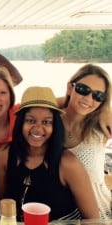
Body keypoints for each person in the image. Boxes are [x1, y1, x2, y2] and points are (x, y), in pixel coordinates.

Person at [0, 86, 99, 221]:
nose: (38, 129)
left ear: (55, 126)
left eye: (46, 122)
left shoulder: (68, 163)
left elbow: (93, 220)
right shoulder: (4, 155)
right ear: (20, 123)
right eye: (30, 120)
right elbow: (4, 207)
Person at [61, 64, 112, 219]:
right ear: (70, 87)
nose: (89, 98)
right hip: (63, 214)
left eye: (98, 96)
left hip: (101, 211)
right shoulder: (49, 123)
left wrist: (104, 110)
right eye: (83, 89)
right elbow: (30, 103)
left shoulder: (101, 128)